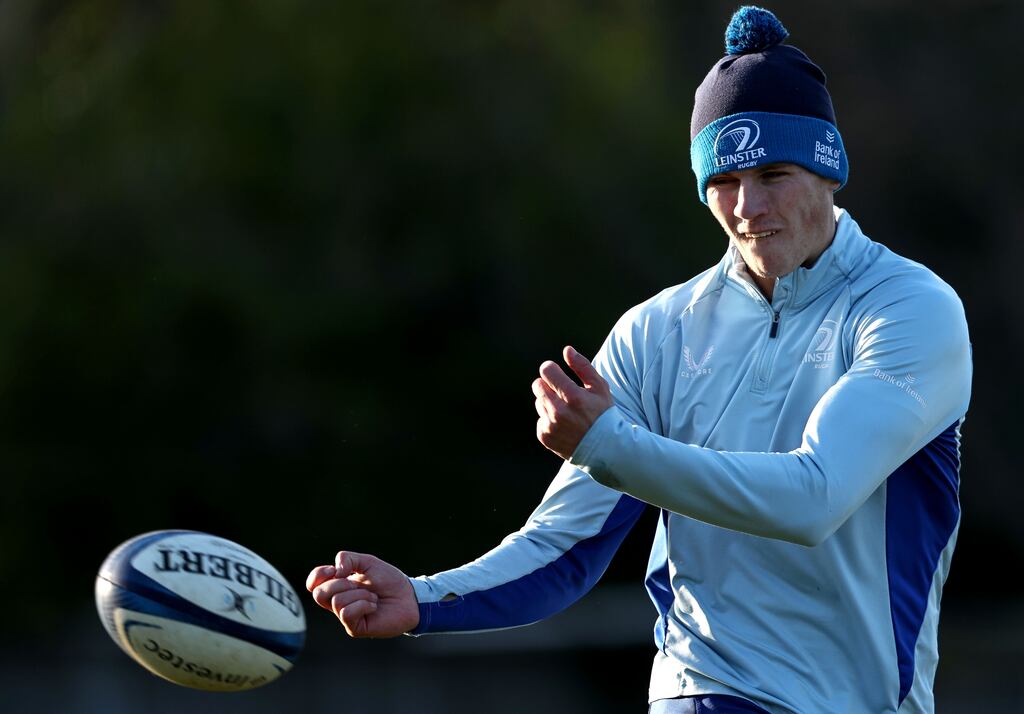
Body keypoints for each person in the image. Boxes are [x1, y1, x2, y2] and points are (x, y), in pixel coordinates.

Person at [306, 7, 972, 713]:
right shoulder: (659, 332)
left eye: (773, 174)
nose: (747, 206)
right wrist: (424, 597)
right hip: (699, 690)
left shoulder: (910, 310)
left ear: (829, 168)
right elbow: (566, 544)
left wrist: (611, 445)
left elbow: (814, 497)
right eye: (723, 180)